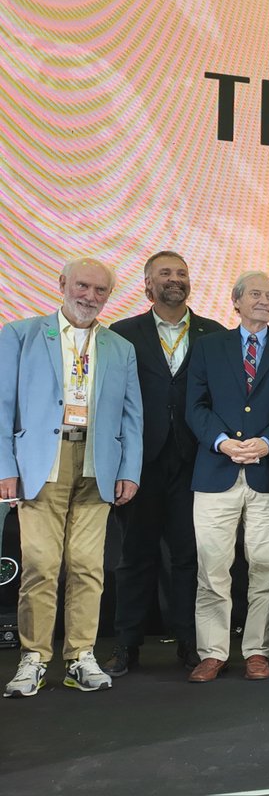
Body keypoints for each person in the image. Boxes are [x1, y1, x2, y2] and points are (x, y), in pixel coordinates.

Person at [1, 258, 143, 697]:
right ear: (62, 284)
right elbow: (3, 404)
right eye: (83, 286)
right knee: (42, 566)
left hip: (98, 464)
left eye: (100, 291)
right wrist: (5, 468)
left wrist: (130, 470)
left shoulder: (120, 347)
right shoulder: (20, 335)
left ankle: (80, 655)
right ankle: (34, 658)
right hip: (41, 462)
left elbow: (132, 416)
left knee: (88, 567)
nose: (90, 297)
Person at [103, 251, 225, 677]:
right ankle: (126, 646)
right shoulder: (121, 334)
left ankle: (191, 646)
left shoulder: (214, 333)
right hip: (138, 464)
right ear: (147, 284)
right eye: (165, 273)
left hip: (197, 463)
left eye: (182, 273)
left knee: (189, 558)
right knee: (134, 556)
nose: (175, 279)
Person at [185, 271, 269, 682]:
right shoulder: (208, 347)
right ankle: (213, 652)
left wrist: (268, 442)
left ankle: (257, 651)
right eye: (256, 294)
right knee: (212, 569)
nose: (265, 300)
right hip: (216, 472)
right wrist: (221, 441)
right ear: (236, 301)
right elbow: (194, 405)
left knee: (266, 570)